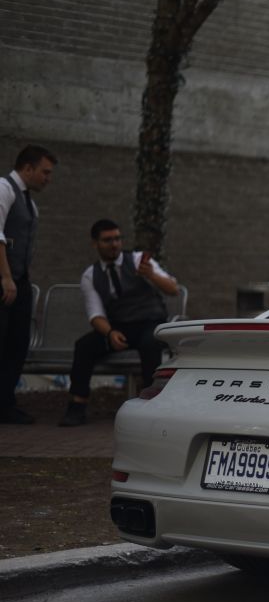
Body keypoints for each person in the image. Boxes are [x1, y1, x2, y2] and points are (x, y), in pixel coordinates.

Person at [59, 219, 180, 427]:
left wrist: (150, 275)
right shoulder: (90, 275)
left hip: (150, 322)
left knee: (149, 343)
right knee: (84, 346)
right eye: (107, 240)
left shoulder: (137, 260)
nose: (114, 244)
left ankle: (153, 404)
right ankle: (77, 406)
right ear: (95, 244)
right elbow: (95, 314)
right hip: (119, 327)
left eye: (117, 238)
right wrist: (109, 333)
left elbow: (173, 289)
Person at [0, 145, 57, 425]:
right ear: (28, 168)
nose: (48, 178)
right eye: (45, 172)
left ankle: (5, 403)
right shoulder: (4, 188)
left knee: (17, 343)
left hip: (20, 280)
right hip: (4, 279)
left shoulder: (30, 203)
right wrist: (5, 276)